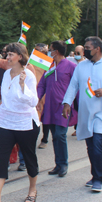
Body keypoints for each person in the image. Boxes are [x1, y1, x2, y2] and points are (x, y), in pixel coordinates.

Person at [0, 43, 40, 202]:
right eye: (7, 54)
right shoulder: (6, 74)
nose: (8, 57)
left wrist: (22, 86)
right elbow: (5, 99)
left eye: (11, 54)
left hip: (25, 123)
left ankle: (32, 190)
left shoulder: (28, 74)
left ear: (20, 56)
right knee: (1, 158)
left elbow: (33, 101)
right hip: (6, 122)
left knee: (29, 158)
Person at [62, 37, 102, 192]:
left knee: (98, 145)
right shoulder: (81, 66)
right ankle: (94, 175)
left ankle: (98, 179)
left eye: (88, 47)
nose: (85, 50)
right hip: (86, 113)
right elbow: (73, 86)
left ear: (97, 49)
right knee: (90, 147)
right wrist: (67, 103)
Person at [37, 41, 77, 177]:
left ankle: (64, 164)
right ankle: (58, 164)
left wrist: (75, 104)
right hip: (50, 105)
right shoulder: (50, 67)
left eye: (51, 50)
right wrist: (37, 98)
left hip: (63, 106)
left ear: (57, 51)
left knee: (60, 134)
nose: (49, 52)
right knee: (54, 135)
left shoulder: (71, 66)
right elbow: (41, 84)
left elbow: (77, 86)